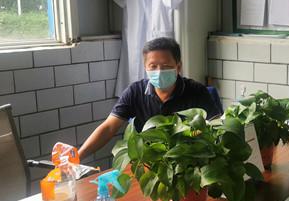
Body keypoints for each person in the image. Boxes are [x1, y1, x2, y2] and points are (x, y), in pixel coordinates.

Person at [79, 37, 219, 160]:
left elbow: (216, 126)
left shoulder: (196, 91)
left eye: (166, 66)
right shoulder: (135, 92)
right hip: (148, 161)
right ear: (145, 68)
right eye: (153, 66)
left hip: (187, 159)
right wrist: (78, 156)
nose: (159, 71)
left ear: (178, 67)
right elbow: (109, 127)